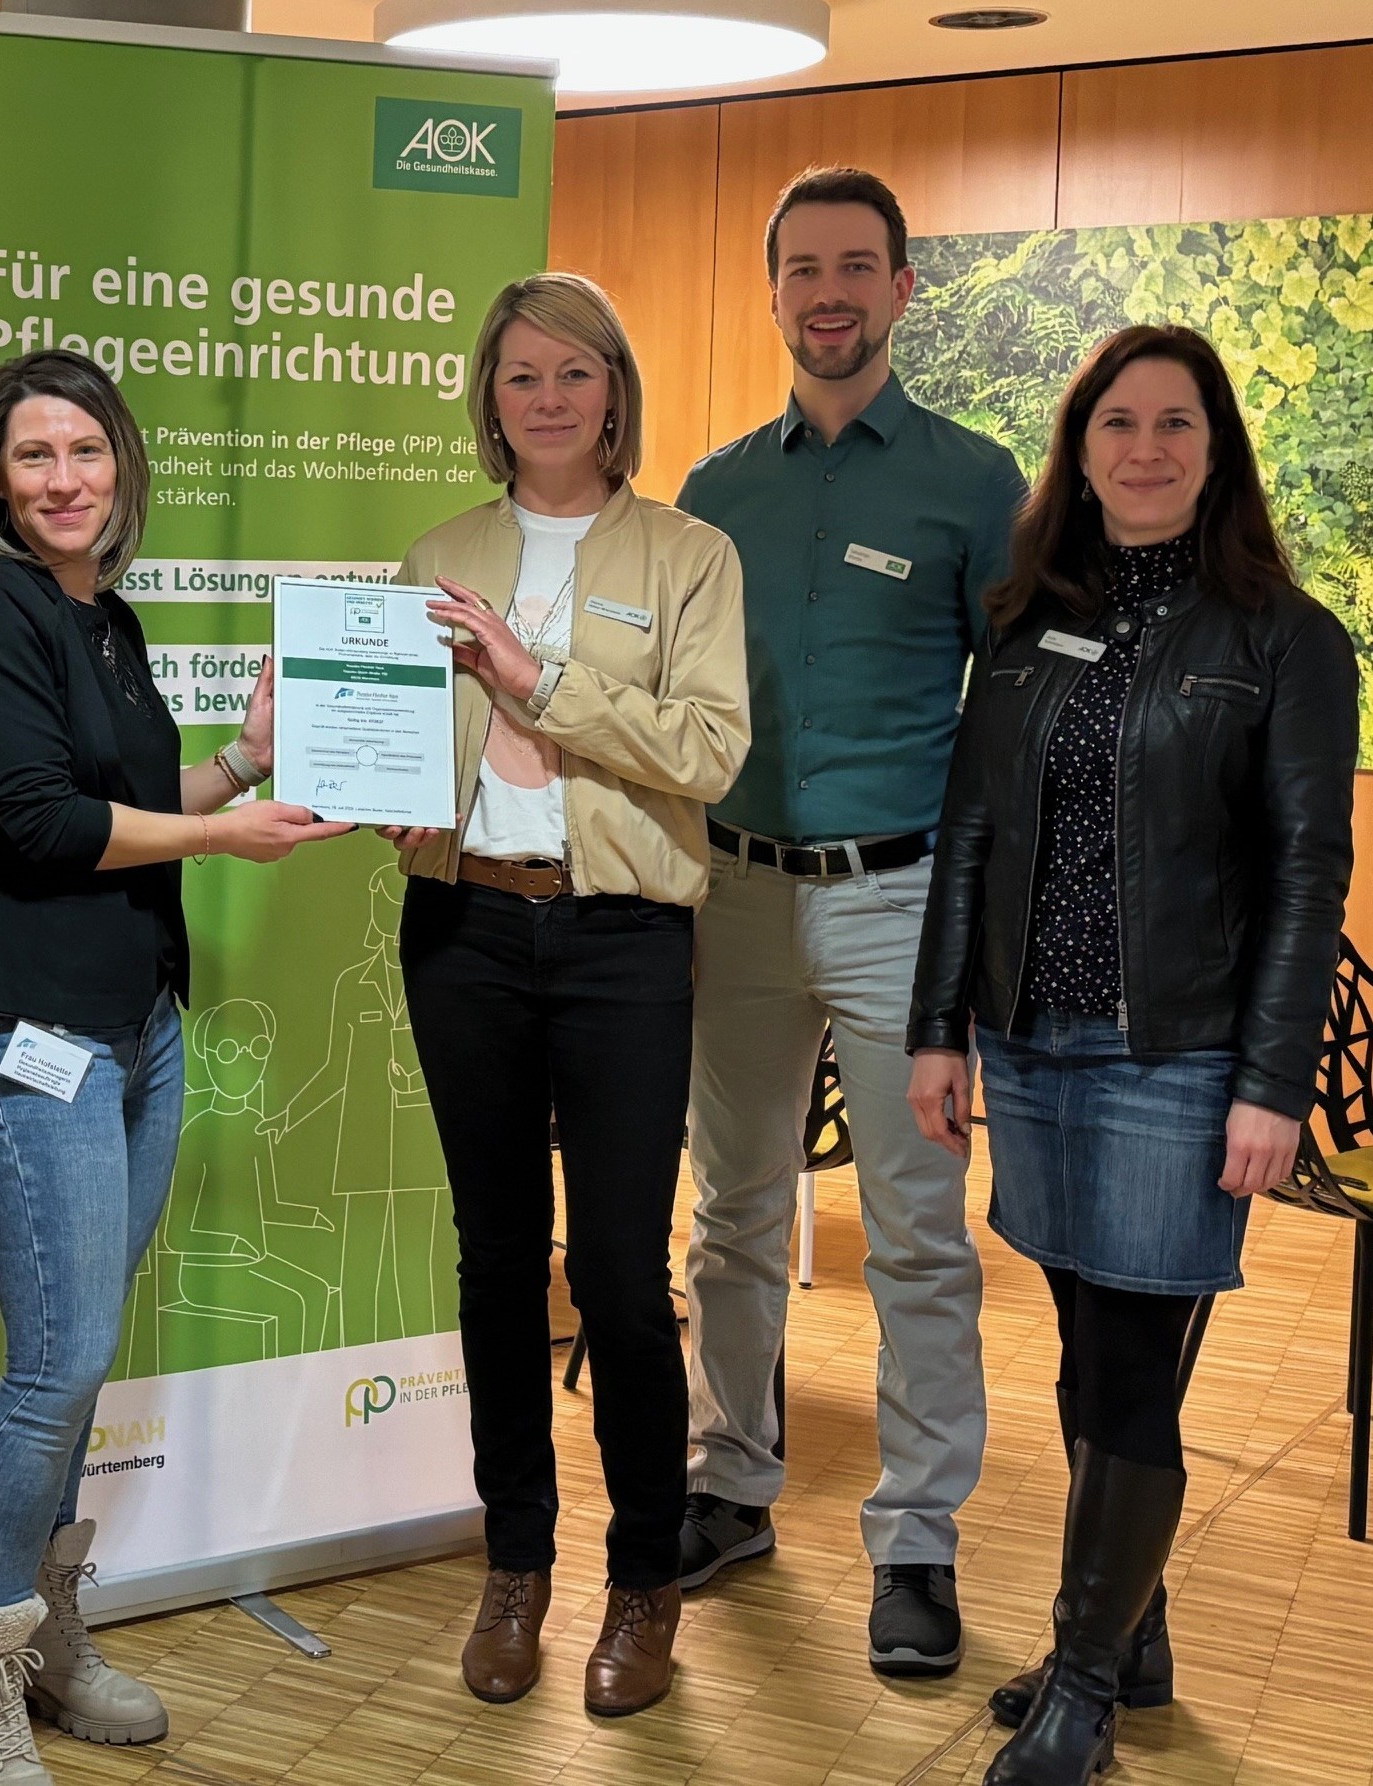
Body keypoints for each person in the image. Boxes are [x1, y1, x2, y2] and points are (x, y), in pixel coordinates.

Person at [908, 324, 1356, 1786]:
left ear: (1216, 449)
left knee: (1127, 1371)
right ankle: (1132, 1637)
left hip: (1178, 1055)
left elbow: (1308, 871)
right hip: (1031, 1045)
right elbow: (969, 837)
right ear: (1080, 448)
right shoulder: (1028, 619)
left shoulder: (1285, 638)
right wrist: (936, 1029)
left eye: (1175, 423)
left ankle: (1083, 1690)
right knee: (1085, 1354)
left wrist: (1272, 1084)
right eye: (1118, 422)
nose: (1145, 448)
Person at [0, 350, 350, 1785]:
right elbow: (40, 824)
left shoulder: (104, 614)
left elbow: (120, 795)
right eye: (34, 456)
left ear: (122, 465)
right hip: (29, 1033)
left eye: (87, 450)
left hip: (137, 1030)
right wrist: (224, 837)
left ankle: (46, 1629)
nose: (65, 479)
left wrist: (241, 764)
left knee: (84, 1351)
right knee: (52, 1366)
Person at [674, 166, 1029, 1676]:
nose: (829, 293)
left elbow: (1016, 717)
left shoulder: (974, 484)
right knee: (733, 1211)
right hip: (735, 893)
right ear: (773, 293)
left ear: (899, 289)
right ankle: (727, 1482)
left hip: (902, 902)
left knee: (916, 1235)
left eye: (856, 267)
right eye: (803, 269)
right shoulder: (712, 494)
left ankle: (918, 1540)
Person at [378, 272, 748, 1718]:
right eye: (521, 374)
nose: (547, 397)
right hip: (462, 925)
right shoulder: (439, 551)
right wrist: (383, 787)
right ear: (490, 395)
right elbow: (401, 732)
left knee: (617, 1275)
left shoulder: (689, 556)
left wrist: (539, 681)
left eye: (574, 372)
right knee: (492, 1262)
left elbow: (707, 750)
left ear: (614, 393)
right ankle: (515, 1563)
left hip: (622, 942)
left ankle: (645, 1578)